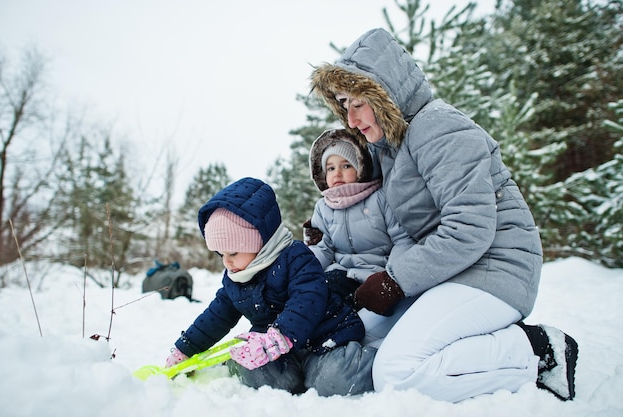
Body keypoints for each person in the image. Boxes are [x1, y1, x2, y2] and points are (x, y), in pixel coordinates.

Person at [309, 27, 578, 402]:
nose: (350, 119)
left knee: (396, 372)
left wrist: (394, 281)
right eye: (343, 105)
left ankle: (535, 349)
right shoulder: (393, 147)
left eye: (357, 103)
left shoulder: (438, 128)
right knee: (361, 335)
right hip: (450, 273)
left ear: (383, 93)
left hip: (496, 269)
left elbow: (469, 228)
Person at [164, 177, 375, 396]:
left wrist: (281, 336)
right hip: (274, 352)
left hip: (323, 340)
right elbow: (216, 316)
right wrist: (186, 348)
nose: (227, 261)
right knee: (258, 374)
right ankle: (273, 373)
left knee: (335, 379)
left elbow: (307, 299)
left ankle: (369, 362)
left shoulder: (295, 257)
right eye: (221, 254)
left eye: (233, 252)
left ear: (258, 241)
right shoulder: (236, 277)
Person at [307, 128, 414, 314]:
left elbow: (403, 240)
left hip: (375, 275)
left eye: (346, 165)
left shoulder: (379, 198)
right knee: (315, 292)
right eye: (331, 168)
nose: (337, 173)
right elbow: (322, 248)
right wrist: (305, 271)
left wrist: (391, 277)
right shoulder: (324, 207)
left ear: (361, 167)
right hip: (341, 274)